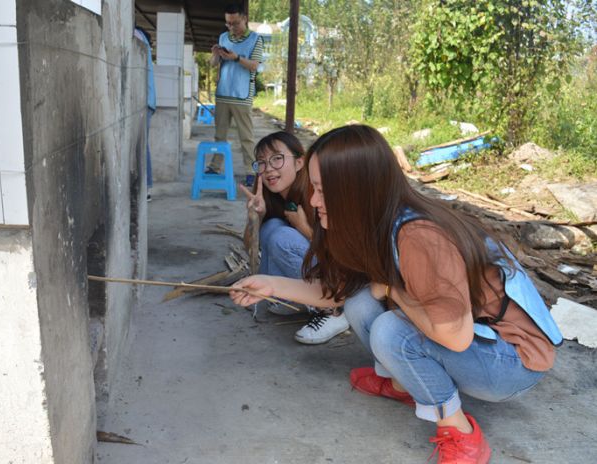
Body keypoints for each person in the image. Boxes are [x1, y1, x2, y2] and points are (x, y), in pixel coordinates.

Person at [230, 125, 562, 463]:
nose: (313, 201)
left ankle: (462, 434)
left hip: (513, 363)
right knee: (359, 300)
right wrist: (270, 285)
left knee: (392, 332)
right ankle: (403, 384)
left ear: (355, 190)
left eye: (321, 190)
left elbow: (455, 336)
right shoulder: (373, 222)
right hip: (479, 341)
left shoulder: (417, 234)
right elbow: (335, 293)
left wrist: (393, 291)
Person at [240, 131, 349, 344]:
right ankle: (298, 299)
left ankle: (333, 311)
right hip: (319, 270)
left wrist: (302, 226)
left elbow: (343, 253)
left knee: (281, 237)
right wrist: (255, 217)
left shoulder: (316, 192)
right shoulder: (273, 198)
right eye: (261, 163)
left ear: (300, 162)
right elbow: (249, 247)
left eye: (277, 159)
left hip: (343, 279)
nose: (269, 168)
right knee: (270, 228)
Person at [205, 3, 264, 187]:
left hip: (242, 95)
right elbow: (214, 64)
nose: (231, 27)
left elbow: (254, 65)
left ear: (244, 19)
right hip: (223, 94)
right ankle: (215, 167)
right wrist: (215, 54)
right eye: (228, 24)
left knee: (246, 137)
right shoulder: (223, 37)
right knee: (219, 135)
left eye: (235, 23)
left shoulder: (255, 39)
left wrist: (236, 58)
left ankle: (251, 172)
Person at [134, 26, 156, 200]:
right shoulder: (141, 37)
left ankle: (146, 188)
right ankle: (146, 186)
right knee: (142, 144)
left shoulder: (136, 36)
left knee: (141, 145)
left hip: (142, 101)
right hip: (144, 102)